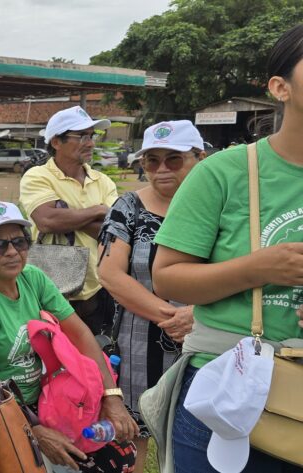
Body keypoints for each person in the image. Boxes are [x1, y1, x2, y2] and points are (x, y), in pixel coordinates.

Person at [150, 25, 303, 473]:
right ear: (281, 88)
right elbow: (168, 276)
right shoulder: (225, 172)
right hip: (228, 392)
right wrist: (259, 268)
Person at [0, 201, 138, 473]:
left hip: (46, 398)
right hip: (5, 409)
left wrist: (111, 395)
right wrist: (35, 431)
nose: (12, 252)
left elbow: (80, 334)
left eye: (20, 242)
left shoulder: (33, 278)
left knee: (121, 456)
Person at [96, 120, 204, 472]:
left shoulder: (219, 207)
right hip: (138, 341)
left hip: (206, 338)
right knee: (132, 439)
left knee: (198, 435)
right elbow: (110, 272)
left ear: (199, 158)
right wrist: (172, 317)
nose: (161, 170)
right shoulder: (128, 208)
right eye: (151, 160)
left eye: (173, 159)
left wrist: (196, 317)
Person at [20, 106, 118, 335]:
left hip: (98, 290)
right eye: (82, 136)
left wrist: (66, 215)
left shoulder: (102, 181)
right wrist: (98, 210)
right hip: (49, 291)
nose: (91, 143)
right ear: (56, 142)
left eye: (92, 136)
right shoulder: (37, 176)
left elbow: (114, 230)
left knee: (97, 357)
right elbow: (46, 220)